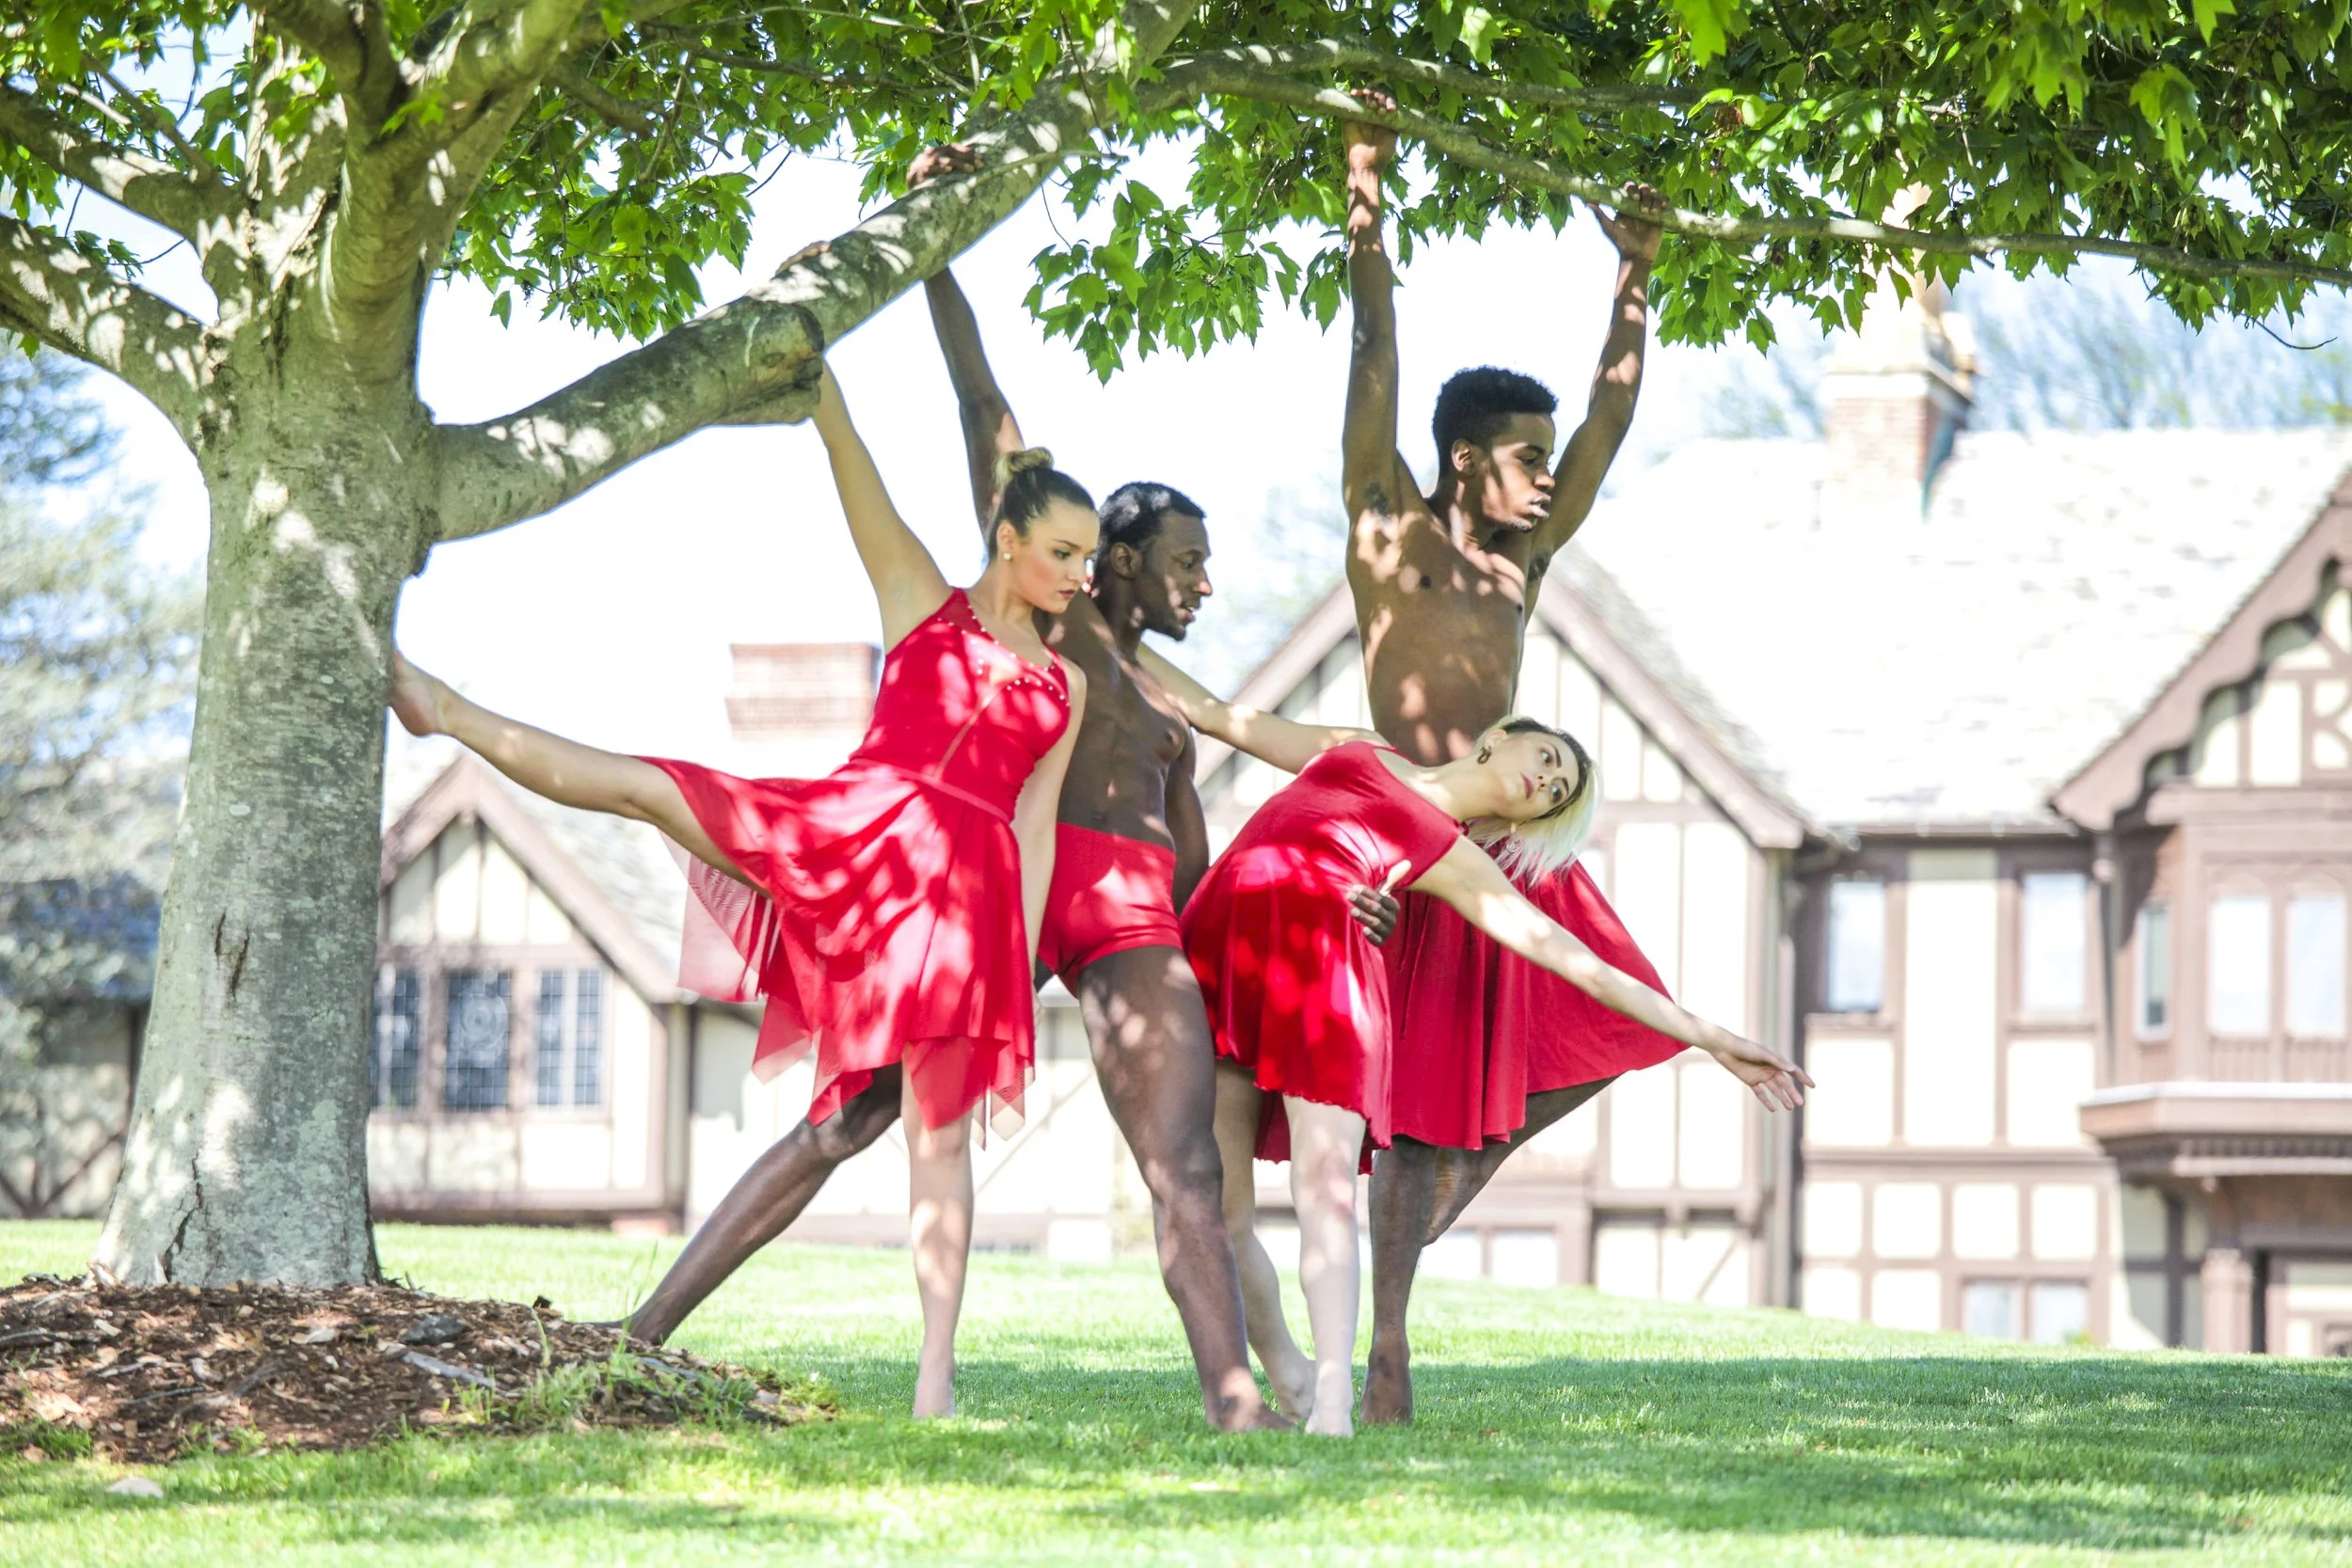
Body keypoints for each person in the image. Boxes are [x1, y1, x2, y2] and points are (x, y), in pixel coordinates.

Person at [600, 145, 1397, 1432]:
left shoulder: (1171, 714)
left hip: (1128, 923)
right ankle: (640, 1326)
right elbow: (987, 408)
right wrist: (944, 252)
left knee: (1180, 1159)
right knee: (838, 1120)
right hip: (996, 899)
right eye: (1183, 562)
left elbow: (1209, 874)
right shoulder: (1057, 629)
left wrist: (1333, 906)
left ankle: (1237, 1396)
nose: (1203, 585)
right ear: (1114, 556)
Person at [388, 362, 1089, 1420]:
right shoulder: (921, 603)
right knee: (649, 788)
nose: (1082, 575)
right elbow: (855, 473)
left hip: (965, 920)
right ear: (1010, 540)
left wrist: (1013, 967)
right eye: (1065, 553)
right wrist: (827, 389)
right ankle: (445, 708)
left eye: (1086, 558)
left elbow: (1034, 829)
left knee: (935, 1144)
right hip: (850, 839)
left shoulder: (1064, 684)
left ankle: (934, 1381)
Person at [1156, 673, 1810, 1438]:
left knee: (1324, 1190)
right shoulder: (1357, 752)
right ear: (1499, 736)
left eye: (1555, 792)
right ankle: (1294, 1380)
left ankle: (1331, 1409)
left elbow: (1581, 964)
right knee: (1223, 1210)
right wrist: (1103, 634)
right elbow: (1226, 718)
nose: (1547, 780)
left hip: (1328, 988)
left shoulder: (1456, 858)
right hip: (1223, 963)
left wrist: (1714, 1039)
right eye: (1548, 758)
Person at [1335, 95, 1705, 1424]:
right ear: (1461, 458)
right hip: (1402, 823)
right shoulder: (1384, 516)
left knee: (1618, 1017)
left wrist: (1636, 273)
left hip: (1507, 840)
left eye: (1546, 461)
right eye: (1525, 458)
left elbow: (1605, 429)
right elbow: (1374, 341)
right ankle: (1383, 1345)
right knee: (1396, 1110)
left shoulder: (1520, 563)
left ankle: (1418, 1216)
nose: (1548, 477)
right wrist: (1368, 174)